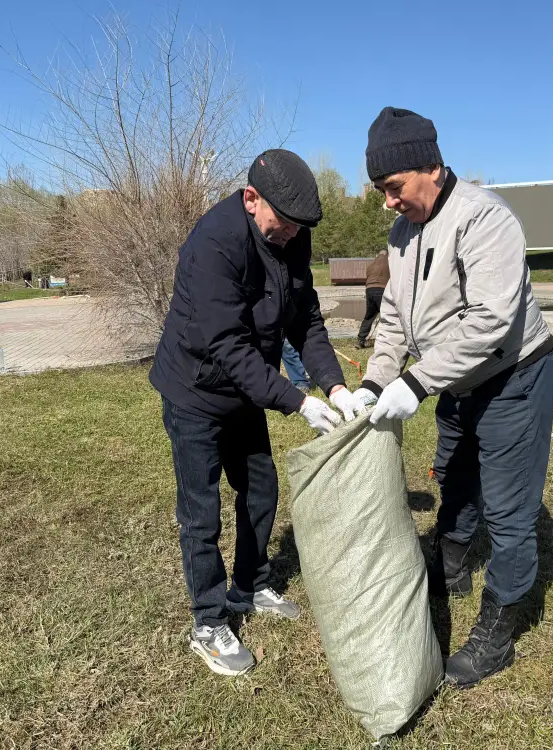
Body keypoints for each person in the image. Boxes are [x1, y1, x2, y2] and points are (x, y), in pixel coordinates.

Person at [351, 107, 553, 688]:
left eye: (392, 188)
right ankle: (452, 558)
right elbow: (393, 316)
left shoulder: (484, 219)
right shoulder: (402, 232)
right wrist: (374, 383)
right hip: (456, 378)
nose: (387, 202)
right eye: (380, 192)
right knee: (455, 474)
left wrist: (415, 382)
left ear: (430, 168)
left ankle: (499, 627)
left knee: (509, 512)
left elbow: (493, 320)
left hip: (514, 374)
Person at [150, 149, 366, 677]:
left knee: (261, 488)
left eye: (300, 229)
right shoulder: (213, 244)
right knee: (201, 512)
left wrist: (334, 387)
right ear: (251, 199)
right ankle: (208, 620)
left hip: (245, 392)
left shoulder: (291, 234)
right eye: (285, 225)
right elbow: (229, 346)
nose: (293, 236)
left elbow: (306, 318)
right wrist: (297, 401)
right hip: (195, 390)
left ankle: (250, 584)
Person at [357, 250, 389, 348]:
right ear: (386, 254)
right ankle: (386, 341)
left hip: (369, 289)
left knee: (369, 316)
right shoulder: (389, 262)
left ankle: (360, 340)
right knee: (387, 316)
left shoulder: (371, 265)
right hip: (381, 289)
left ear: (378, 254)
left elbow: (368, 277)